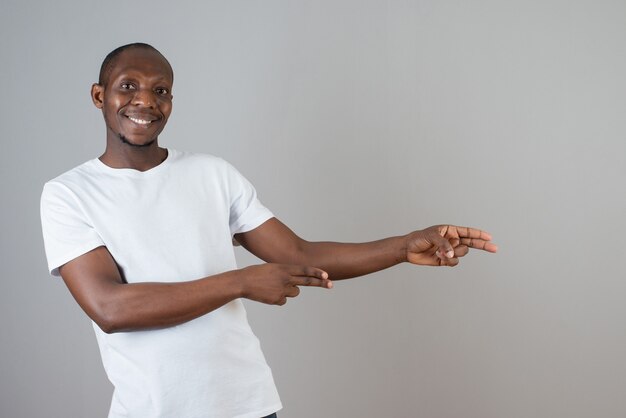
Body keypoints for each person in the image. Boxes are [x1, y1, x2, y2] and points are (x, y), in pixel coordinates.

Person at [40, 43, 497, 418]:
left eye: (161, 90)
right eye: (128, 87)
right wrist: (241, 282)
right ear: (100, 96)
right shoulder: (69, 194)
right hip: (154, 410)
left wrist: (402, 246)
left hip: (248, 404)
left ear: (172, 103)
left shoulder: (211, 174)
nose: (145, 101)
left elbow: (296, 251)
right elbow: (109, 308)